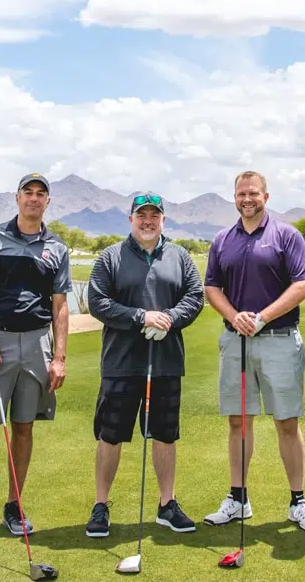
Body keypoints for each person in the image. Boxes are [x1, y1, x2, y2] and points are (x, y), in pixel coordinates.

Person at [201, 170, 305, 533]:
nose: (247, 199)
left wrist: (263, 317)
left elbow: (303, 284)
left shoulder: (286, 235)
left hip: (280, 341)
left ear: (266, 197)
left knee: (286, 421)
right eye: (241, 194)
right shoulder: (223, 239)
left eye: (253, 193)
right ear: (234, 197)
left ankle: (298, 502)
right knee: (238, 421)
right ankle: (238, 499)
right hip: (235, 342)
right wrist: (234, 316)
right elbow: (212, 287)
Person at [0, 172, 72, 542]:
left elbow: (60, 306)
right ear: (17, 198)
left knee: (24, 427)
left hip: (37, 344)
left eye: (41, 194)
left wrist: (60, 357)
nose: (34, 199)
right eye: (28, 192)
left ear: (48, 202)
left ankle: (13, 506)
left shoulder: (57, 248)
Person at [83, 192, 205, 537]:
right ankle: (101, 505)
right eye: (142, 215)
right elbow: (97, 301)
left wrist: (168, 318)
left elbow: (195, 298)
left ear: (163, 219)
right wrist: (139, 316)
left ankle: (167, 504)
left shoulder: (180, 256)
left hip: (165, 363)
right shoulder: (110, 257)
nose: (148, 221)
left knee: (164, 435)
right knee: (111, 435)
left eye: (154, 215)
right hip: (121, 363)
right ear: (131, 219)